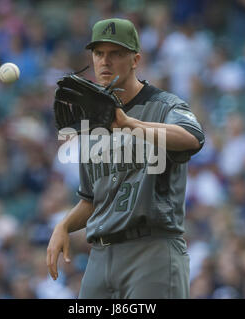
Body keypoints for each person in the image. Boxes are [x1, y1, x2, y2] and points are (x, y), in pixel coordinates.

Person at [46, 18, 205, 298]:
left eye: (116, 53)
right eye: (99, 53)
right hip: (101, 255)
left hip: (152, 249)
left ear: (135, 59)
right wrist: (64, 225)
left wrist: (131, 124)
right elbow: (92, 199)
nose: (105, 61)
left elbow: (193, 137)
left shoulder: (164, 105)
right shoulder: (92, 122)